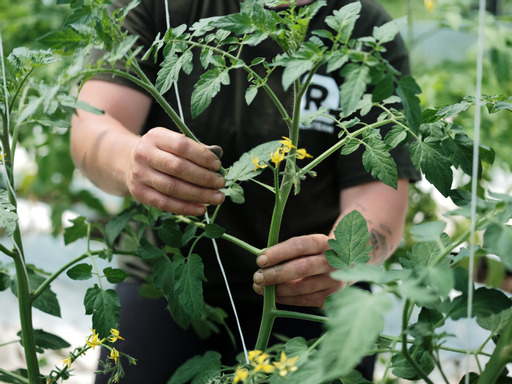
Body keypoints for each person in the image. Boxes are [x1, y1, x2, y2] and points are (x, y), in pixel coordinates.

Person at [71, 0, 421, 382]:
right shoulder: (159, 5)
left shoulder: (365, 28)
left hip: (314, 297)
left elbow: (382, 196)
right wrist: (130, 160)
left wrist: (346, 259)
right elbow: (92, 125)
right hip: (169, 277)